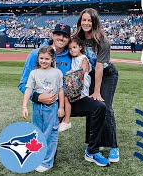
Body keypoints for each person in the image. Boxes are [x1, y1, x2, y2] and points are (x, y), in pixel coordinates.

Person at [19, 23, 110, 168]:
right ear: (53, 35)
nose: (61, 38)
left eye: (65, 36)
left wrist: (90, 65)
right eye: (58, 34)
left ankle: (92, 151)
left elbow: (96, 62)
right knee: (46, 156)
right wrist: (37, 97)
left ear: (69, 39)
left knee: (99, 107)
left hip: (73, 99)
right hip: (50, 103)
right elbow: (23, 84)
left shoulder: (72, 54)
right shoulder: (38, 55)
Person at [75, 8, 119, 163]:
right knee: (92, 108)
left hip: (107, 75)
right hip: (90, 75)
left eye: (89, 20)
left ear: (94, 22)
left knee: (104, 106)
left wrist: (97, 91)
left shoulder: (102, 40)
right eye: (84, 20)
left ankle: (113, 146)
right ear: (80, 21)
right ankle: (94, 143)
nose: (86, 23)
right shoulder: (77, 38)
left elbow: (99, 67)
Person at [21, 46, 64, 172]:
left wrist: (61, 107)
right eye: (41, 58)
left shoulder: (57, 72)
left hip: (51, 107)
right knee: (37, 132)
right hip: (37, 107)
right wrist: (24, 106)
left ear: (52, 59)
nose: (44, 61)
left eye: (47, 58)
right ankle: (37, 158)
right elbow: (29, 89)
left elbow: (61, 90)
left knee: (50, 134)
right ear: (38, 58)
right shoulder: (34, 73)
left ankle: (47, 162)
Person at [59, 38, 92, 132]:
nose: (72, 50)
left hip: (81, 83)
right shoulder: (73, 58)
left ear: (80, 47)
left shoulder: (83, 58)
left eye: (74, 47)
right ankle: (61, 120)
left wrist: (72, 72)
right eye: (70, 48)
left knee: (66, 97)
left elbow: (83, 71)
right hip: (73, 82)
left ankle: (67, 121)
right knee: (64, 95)